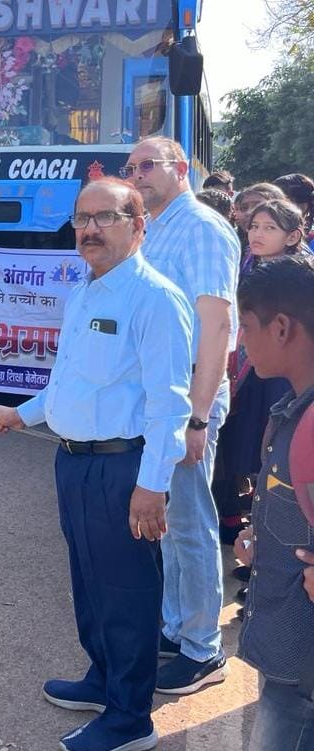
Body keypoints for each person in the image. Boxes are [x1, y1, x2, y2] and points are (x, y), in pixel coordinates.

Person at [0, 177, 193, 751]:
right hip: (73, 463)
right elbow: (67, 383)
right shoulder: (85, 292)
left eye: (105, 217)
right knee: (90, 582)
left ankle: (130, 719)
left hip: (124, 470)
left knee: (126, 592)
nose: (89, 229)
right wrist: (20, 414)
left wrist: (152, 486)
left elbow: (171, 403)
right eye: (81, 218)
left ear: (138, 225)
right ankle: (103, 679)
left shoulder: (155, 298)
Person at [121, 136, 241, 694]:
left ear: (182, 168)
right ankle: (177, 627)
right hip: (161, 395)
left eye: (148, 165)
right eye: (131, 168)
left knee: (190, 525)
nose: (137, 175)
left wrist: (197, 417)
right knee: (168, 525)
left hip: (190, 396)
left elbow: (216, 327)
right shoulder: (157, 226)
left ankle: (202, 649)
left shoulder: (201, 228)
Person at [233, 255, 314, 751]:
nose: (240, 340)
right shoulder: (293, 409)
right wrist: (262, 534)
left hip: (302, 676)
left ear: (281, 328)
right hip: (288, 656)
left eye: (245, 326)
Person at [214, 200, 302, 541]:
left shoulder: (297, 275)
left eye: (269, 228)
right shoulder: (247, 267)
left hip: (281, 377)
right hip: (249, 370)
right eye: (253, 226)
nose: (257, 234)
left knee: (278, 452)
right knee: (246, 447)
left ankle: (277, 536)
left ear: (292, 236)